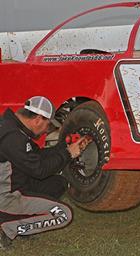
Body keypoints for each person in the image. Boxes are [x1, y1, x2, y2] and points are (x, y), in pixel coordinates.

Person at [0, 96, 91, 249]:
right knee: (64, 214)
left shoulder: (11, 128)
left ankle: (21, 223)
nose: (45, 131)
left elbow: (38, 156)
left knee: (58, 183)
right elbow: (40, 170)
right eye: (48, 125)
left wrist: (65, 146)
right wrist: (68, 154)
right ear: (38, 119)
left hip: (14, 185)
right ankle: (7, 229)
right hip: (5, 198)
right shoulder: (13, 137)